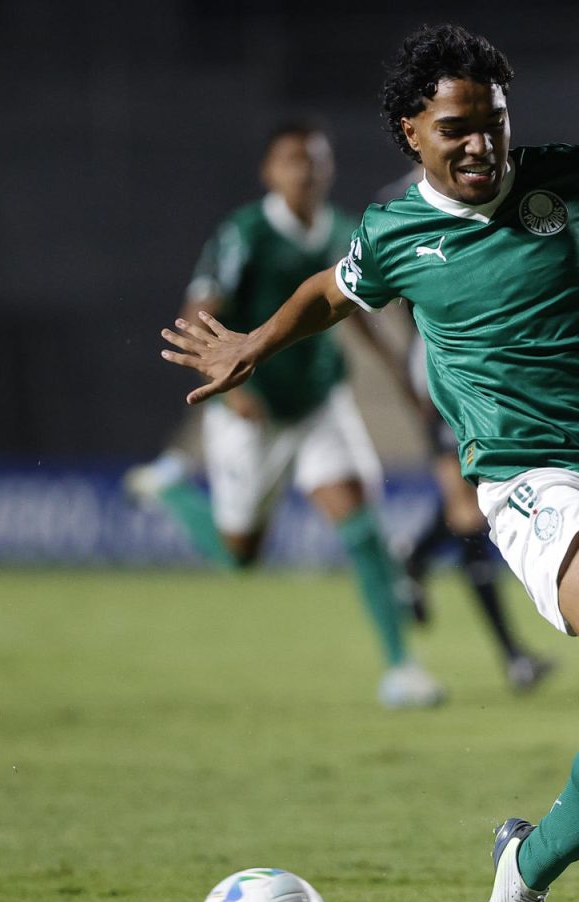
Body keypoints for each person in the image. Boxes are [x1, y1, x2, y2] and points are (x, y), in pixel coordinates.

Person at [159, 24, 579, 902]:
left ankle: (523, 867)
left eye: (495, 123)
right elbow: (330, 294)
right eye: (457, 128)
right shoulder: (392, 234)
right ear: (411, 132)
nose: (482, 145)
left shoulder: (570, 177)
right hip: (526, 471)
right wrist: (255, 341)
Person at [134, 118, 445, 710]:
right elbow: (199, 307)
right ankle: (172, 488)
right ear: (269, 172)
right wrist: (228, 387)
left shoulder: (341, 229)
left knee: (361, 525)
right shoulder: (246, 232)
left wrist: (403, 381)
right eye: (293, 161)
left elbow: (359, 308)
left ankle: (402, 670)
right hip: (255, 410)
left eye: (316, 161)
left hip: (319, 400)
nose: (306, 171)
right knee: (240, 557)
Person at [373, 164, 556, 693]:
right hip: (443, 368)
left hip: (487, 369)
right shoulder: (399, 200)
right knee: (469, 512)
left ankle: (415, 554)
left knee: (470, 508)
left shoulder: (492, 183)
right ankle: (513, 656)